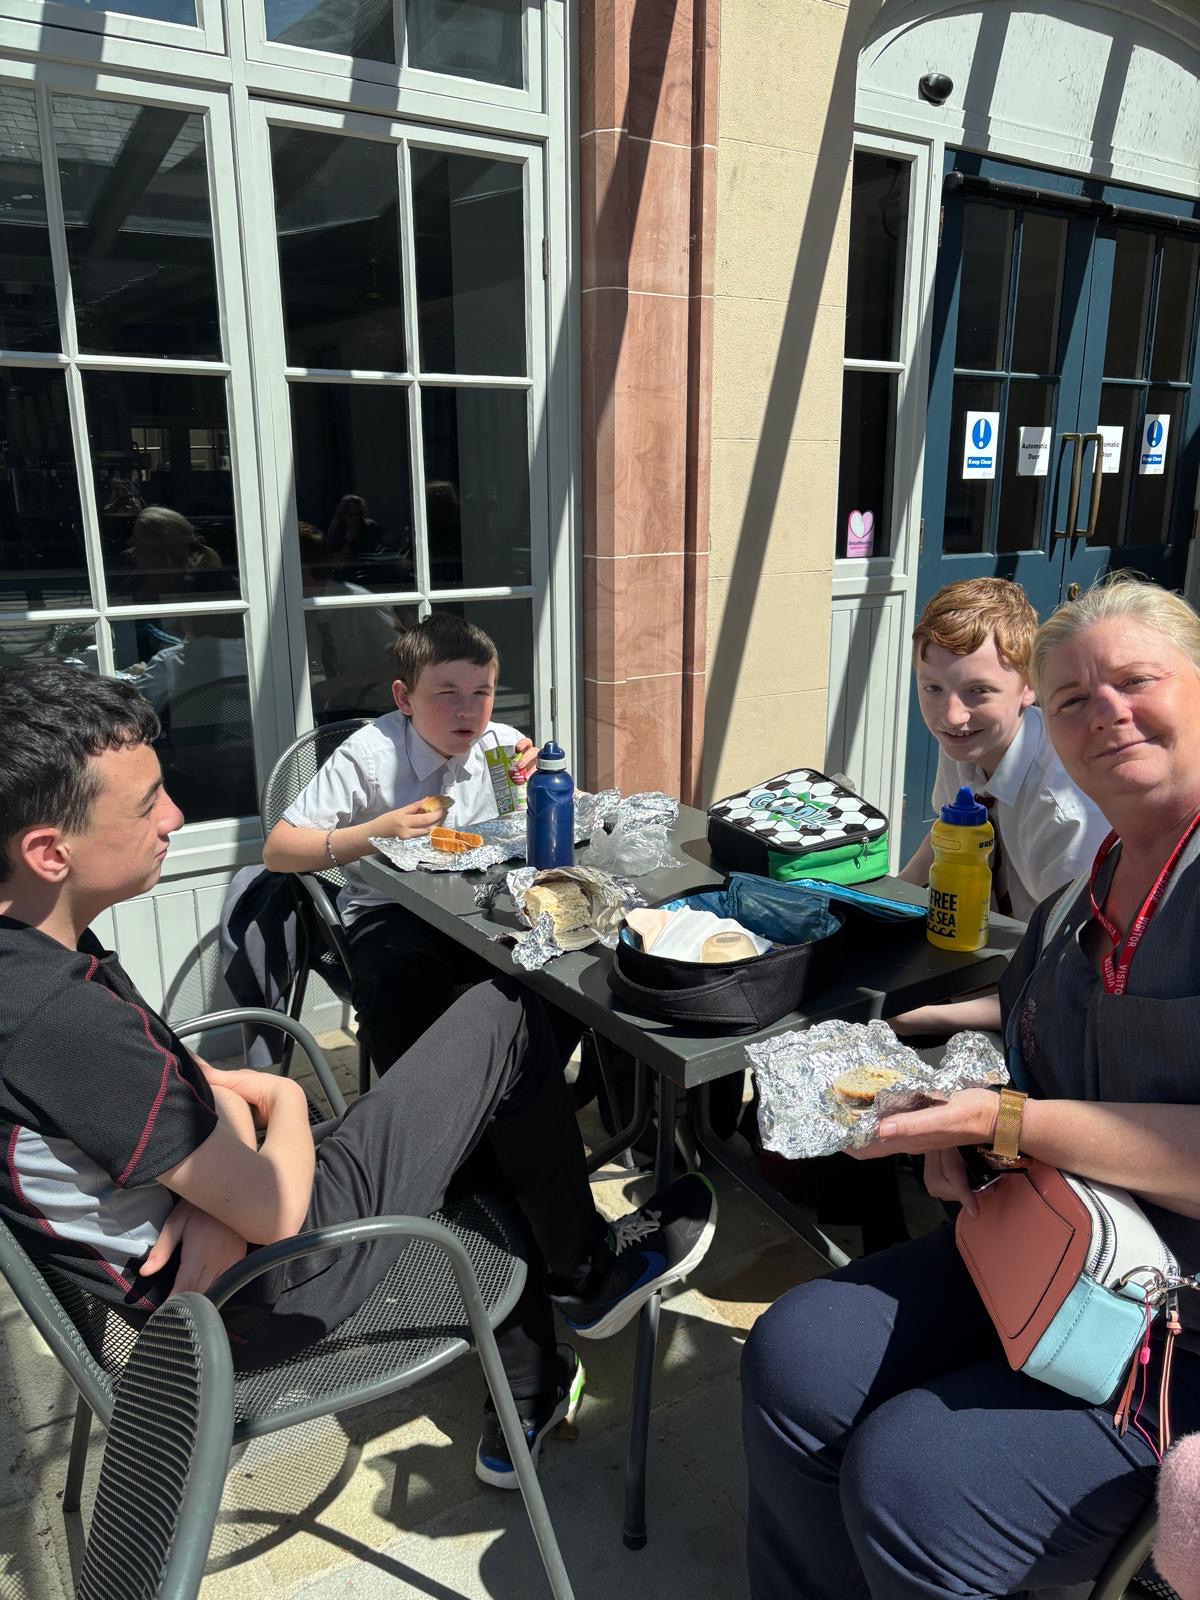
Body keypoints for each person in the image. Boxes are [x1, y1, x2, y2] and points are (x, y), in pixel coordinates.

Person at [0, 663, 717, 1489]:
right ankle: (586, 1276)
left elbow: (191, 1083)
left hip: (230, 1246)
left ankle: (535, 1372)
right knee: (510, 1011)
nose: (175, 817)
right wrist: (281, 1099)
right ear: (49, 852)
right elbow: (271, 1199)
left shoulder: (37, 957)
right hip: (268, 1288)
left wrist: (213, 1190)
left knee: (473, 1095)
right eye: (146, 803)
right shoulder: (60, 1020)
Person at [741, 573, 1200, 1598]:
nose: (1104, 712)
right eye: (1074, 697)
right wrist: (964, 1124)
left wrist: (1010, 1118)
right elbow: (1034, 1045)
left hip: (1178, 1329)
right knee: (795, 1352)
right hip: (1051, 1248)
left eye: (1135, 681)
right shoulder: (1078, 899)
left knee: (913, 1473)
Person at [262, 613, 542, 1074]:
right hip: (390, 911)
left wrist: (543, 785)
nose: (467, 711)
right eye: (447, 693)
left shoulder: (501, 746)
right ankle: (421, 1106)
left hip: (479, 905)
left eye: (481, 693)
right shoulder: (369, 755)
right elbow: (278, 849)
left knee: (558, 978)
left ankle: (517, 1092)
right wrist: (377, 832)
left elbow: (531, 823)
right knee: (401, 990)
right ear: (404, 698)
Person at [899, 577, 1109, 920]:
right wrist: (891, 897)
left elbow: (1071, 938)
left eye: (979, 690)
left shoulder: (1064, 814)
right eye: (933, 688)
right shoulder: (965, 740)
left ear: (1030, 686)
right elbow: (949, 834)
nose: (951, 715)